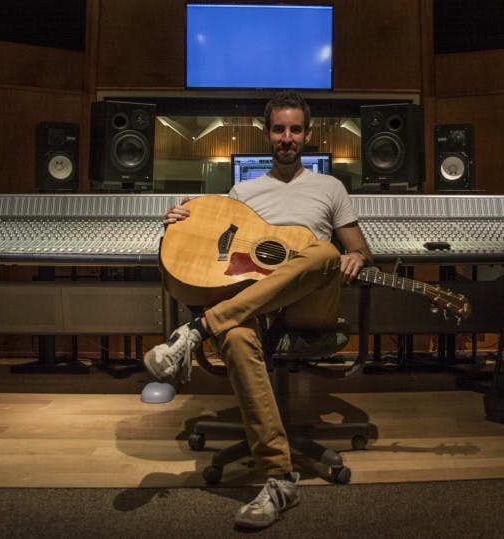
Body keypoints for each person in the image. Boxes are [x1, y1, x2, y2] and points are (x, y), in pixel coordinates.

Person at [144, 90, 373, 529]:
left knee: (324, 252)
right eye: (278, 129)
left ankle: (196, 330)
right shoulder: (243, 191)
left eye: (295, 129)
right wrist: (181, 221)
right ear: (266, 134)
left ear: (307, 134)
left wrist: (356, 258)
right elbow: (212, 247)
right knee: (233, 334)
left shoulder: (331, 188)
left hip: (311, 306)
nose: (287, 137)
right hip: (255, 307)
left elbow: (359, 248)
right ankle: (278, 479)